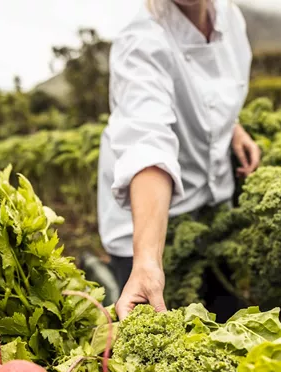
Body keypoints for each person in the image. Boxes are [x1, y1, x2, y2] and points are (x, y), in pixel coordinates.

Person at [97, 0, 261, 320]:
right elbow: (148, 142)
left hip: (209, 203)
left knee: (223, 307)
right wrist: (146, 261)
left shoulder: (229, 17)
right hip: (146, 219)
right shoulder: (141, 41)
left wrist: (233, 127)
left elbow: (214, 90)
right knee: (163, 336)